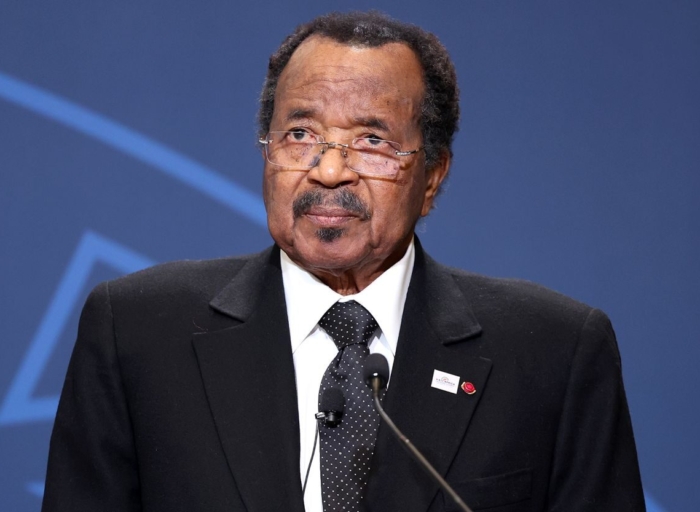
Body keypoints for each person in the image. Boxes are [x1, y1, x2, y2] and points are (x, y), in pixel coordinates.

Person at [42, 11, 645, 512]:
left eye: (372, 141)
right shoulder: (138, 334)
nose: (329, 171)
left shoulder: (553, 353)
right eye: (300, 135)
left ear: (433, 175)